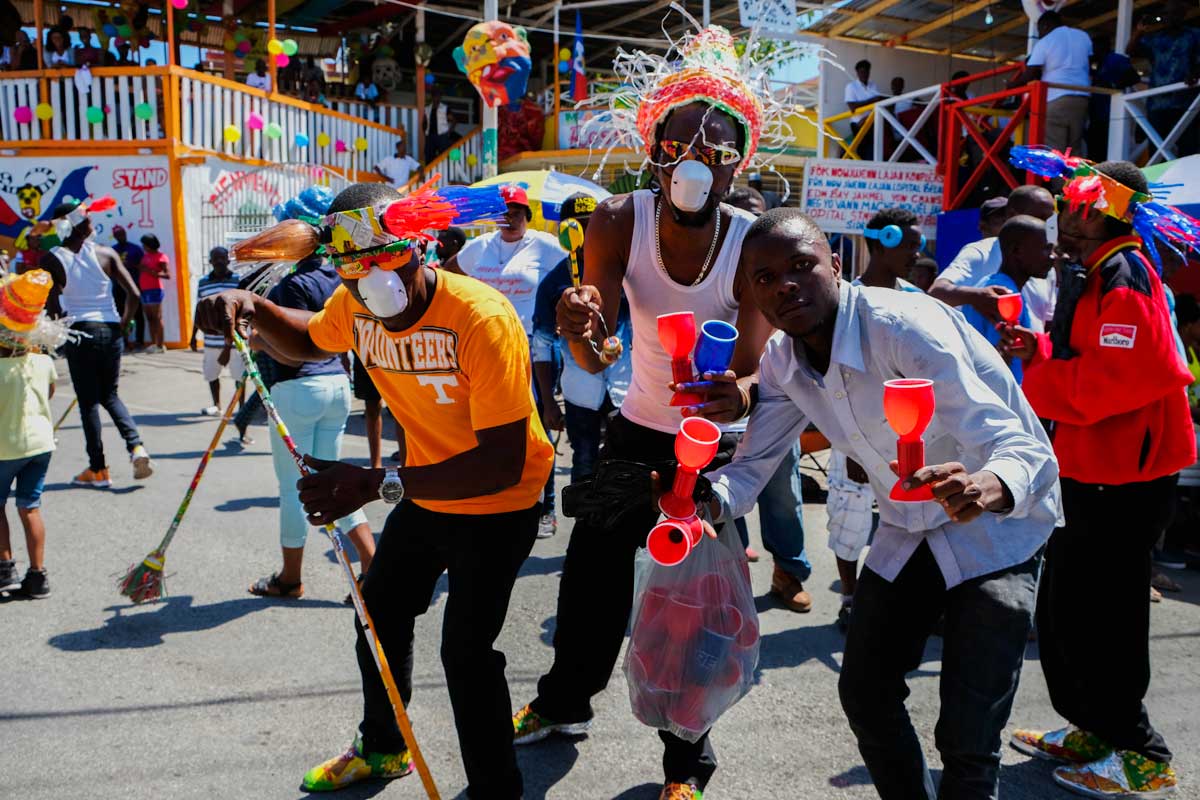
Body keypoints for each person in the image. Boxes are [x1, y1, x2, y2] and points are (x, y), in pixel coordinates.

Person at [196, 180, 553, 798]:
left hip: (499, 502)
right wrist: (246, 306)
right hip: (425, 490)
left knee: (465, 652)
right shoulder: (356, 304)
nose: (370, 277)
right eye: (351, 264)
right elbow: (308, 336)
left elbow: (500, 462)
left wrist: (373, 482)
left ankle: (497, 790)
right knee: (379, 612)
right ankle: (384, 748)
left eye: (385, 255)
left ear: (419, 246)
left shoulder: (482, 318)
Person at [513, 25, 786, 799]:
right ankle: (564, 702)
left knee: (688, 602)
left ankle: (685, 764)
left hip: (712, 448)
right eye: (681, 143)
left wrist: (741, 391)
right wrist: (580, 331)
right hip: (635, 429)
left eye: (718, 146)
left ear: (739, 161)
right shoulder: (617, 220)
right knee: (591, 576)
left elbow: (757, 367)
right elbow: (598, 350)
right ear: (655, 150)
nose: (697, 158)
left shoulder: (753, 239)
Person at [707, 208, 1060, 800]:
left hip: (996, 532)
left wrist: (986, 485)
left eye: (801, 266)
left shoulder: (903, 326)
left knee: (969, 739)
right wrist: (691, 500)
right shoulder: (782, 362)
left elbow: (1017, 444)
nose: (785, 285)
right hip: (906, 529)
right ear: (751, 293)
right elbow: (749, 470)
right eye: (765, 278)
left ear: (837, 266)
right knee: (867, 693)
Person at [1002, 159, 1195, 799]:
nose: (1064, 211)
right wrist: (1040, 348)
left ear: (1104, 208)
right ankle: (1093, 726)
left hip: (1125, 477)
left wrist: (1039, 376)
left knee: (1105, 616)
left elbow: (1119, 381)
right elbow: (1092, 362)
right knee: (1068, 610)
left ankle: (1142, 751)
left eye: (1075, 202)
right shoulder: (1097, 267)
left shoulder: (1126, 272)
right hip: (1092, 467)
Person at [246, 248, 376, 599]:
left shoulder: (293, 284)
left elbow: (297, 346)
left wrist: (259, 342)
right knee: (330, 484)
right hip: (336, 386)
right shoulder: (340, 279)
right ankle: (371, 567)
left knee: (294, 490)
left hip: (299, 388)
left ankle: (290, 579)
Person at [445, 184, 565, 537]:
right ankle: (492, 498)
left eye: (516, 211)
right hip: (482, 349)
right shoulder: (479, 247)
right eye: (503, 211)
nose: (509, 217)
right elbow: (446, 276)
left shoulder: (546, 247)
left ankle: (546, 505)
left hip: (532, 350)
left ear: (527, 216)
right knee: (483, 425)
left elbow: (575, 273)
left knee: (535, 426)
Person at [725, 184, 814, 606]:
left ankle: (788, 573)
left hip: (779, 403)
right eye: (739, 216)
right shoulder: (720, 274)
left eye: (756, 216)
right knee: (727, 491)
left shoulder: (787, 278)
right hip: (726, 407)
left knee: (783, 495)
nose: (748, 224)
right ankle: (732, 572)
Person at [40, 200, 152, 487]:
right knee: (110, 395)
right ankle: (136, 446)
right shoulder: (106, 253)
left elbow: (53, 307)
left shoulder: (52, 258)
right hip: (111, 329)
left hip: (80, 332)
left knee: (89, 402)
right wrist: (124, 325)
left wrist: (59, 332)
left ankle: (98, 469)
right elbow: (135, 294)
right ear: (83, 224)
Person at [531, 193, 632, 484]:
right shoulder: (553, 284)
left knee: (626, 467)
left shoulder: (625, 274)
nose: (586, 234)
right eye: (575, 227)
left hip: (627, 394)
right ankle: (585, 526)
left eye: (592, 225)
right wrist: (548, 402)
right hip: (580, 395)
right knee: (584, 463)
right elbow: (541, 345)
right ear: (563, 232)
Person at [0, 270, 64, 599]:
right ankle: (38, 576)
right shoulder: (40, 362)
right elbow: (49, 393)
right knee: (30, 507)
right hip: (40, 445)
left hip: (4, 449)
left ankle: (5, 567)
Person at [929, 183, 1057, 329]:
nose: (1046, 225)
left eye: (1049, 219)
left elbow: (1047, 322)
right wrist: (977, 296)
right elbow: (936, 292)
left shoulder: (1047, 264)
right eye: (1039, 217)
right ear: (1012, 215)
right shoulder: (980, 252)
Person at [960, 216, 1051, 383]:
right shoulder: (1003, 295)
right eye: (1044, 249)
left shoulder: (995, 285)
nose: (1051, 256)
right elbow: (998, 364)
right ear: (1016, 251)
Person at [1010, 11, 1092, 154]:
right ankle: (1075, 177)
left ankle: (1058, 177)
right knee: (1074, 147)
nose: (1040, 35)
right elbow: (1090, 62)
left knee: (1055, 150)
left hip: (1056, 98)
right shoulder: (1083, 36)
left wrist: (1011, 85)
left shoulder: (1046, 41)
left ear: (1045, 25)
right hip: (1082, 97)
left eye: (1040, 30)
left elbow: (1030, 73)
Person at [1126, 0, 1200, 159]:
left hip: (1186, 103)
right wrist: (1139, 31)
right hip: (1158, 105)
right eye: (1167, 13)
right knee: (1157, 153)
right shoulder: (1155, 38)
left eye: (1175, 13)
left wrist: (1196, 72)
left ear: (1182, 15)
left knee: (1189, 150)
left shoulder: (1194, 34)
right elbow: (1130, 51)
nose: (1170, 17)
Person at [190, 247, 243, 415]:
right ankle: (217, 405)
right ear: (210, 261)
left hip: (237, 341)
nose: (219, 261)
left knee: (239, 376)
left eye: (222, 258)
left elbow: (243, 312)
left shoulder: (239, 280)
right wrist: (193, 336)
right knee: (212, 374)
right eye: (215, 258)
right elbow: (199, 310)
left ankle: (241, 409)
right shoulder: (203, 282)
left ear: (228, 260)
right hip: (212, 340)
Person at [111, 225, 145, 351]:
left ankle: (139, 341)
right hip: (118, 287)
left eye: (122, 233)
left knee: (138, 314)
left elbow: (143, 266)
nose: (121, 236)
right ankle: (124, 341)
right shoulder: (112, 250)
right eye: (118, 234)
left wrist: (130, 265)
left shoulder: (135, 249)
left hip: (134, 286)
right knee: (120, 314)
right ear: (115, 236)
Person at [844, 59, 883, 160]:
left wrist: (874, 101)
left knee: (875, 149)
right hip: (858, 123)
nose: (864, 74)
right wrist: (872, 100)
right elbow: (852, 106)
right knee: (863, 150)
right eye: (862, 71)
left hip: (872, 122)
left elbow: (878, 102)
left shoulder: (873, 85)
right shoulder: (851, 86)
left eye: (866, 71)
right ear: (857, 73)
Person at [137, 234, 169, 353]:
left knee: (157, 318)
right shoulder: (146, 256)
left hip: (155, 289)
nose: (143, 247)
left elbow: (167, 274)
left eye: (144, 244)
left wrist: (151, 272)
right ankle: (153, 343)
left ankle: (161, 345)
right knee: (149, 318)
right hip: (145, 290)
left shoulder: (161, 257)